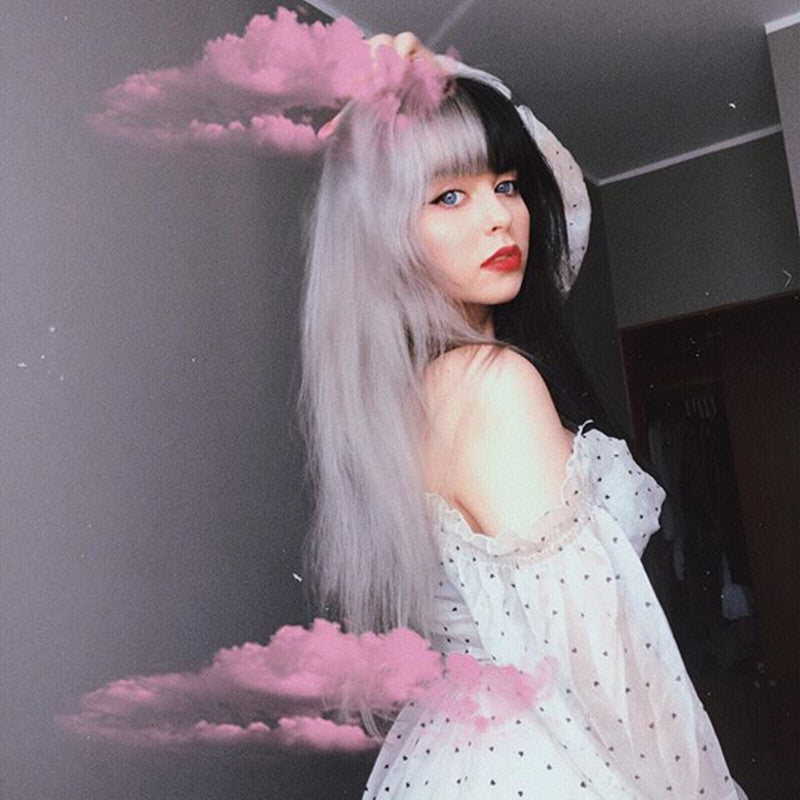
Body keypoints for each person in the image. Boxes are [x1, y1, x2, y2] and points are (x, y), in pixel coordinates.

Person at [299, 32, 746, 799]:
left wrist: (445, 82)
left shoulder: (406, 399)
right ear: (381, 234)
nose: (501, 219)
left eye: (505, 184)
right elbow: (607, 670)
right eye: (448, 196)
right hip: (552, 759)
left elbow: (560, 197)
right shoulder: (492, 383)